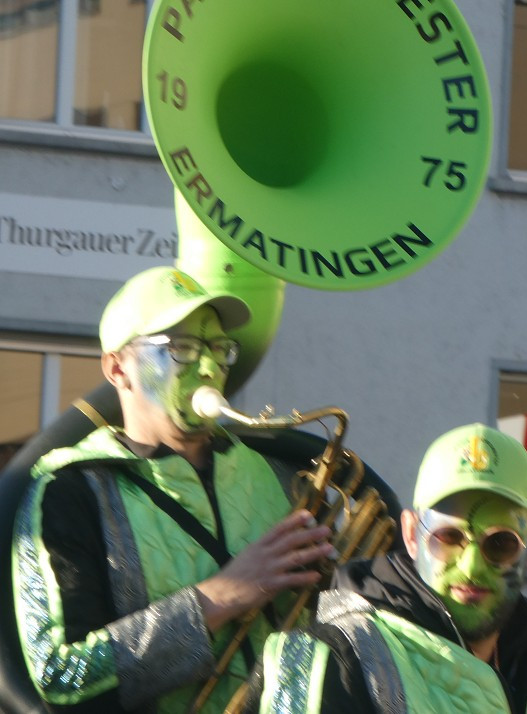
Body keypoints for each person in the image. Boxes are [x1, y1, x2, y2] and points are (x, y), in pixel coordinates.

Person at [11, 266, 334, 713]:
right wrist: (220, 598)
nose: (210, 367)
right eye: (181, 348)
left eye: (219, 348)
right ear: (118, 368)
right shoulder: (71, 490)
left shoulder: (273, 473)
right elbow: (62, 677)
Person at [248, 423, 527, 714]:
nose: (471, 566)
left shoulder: (524, 670)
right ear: (410, 535)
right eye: (447, 537)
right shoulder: (328, 660)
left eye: (500, 543)